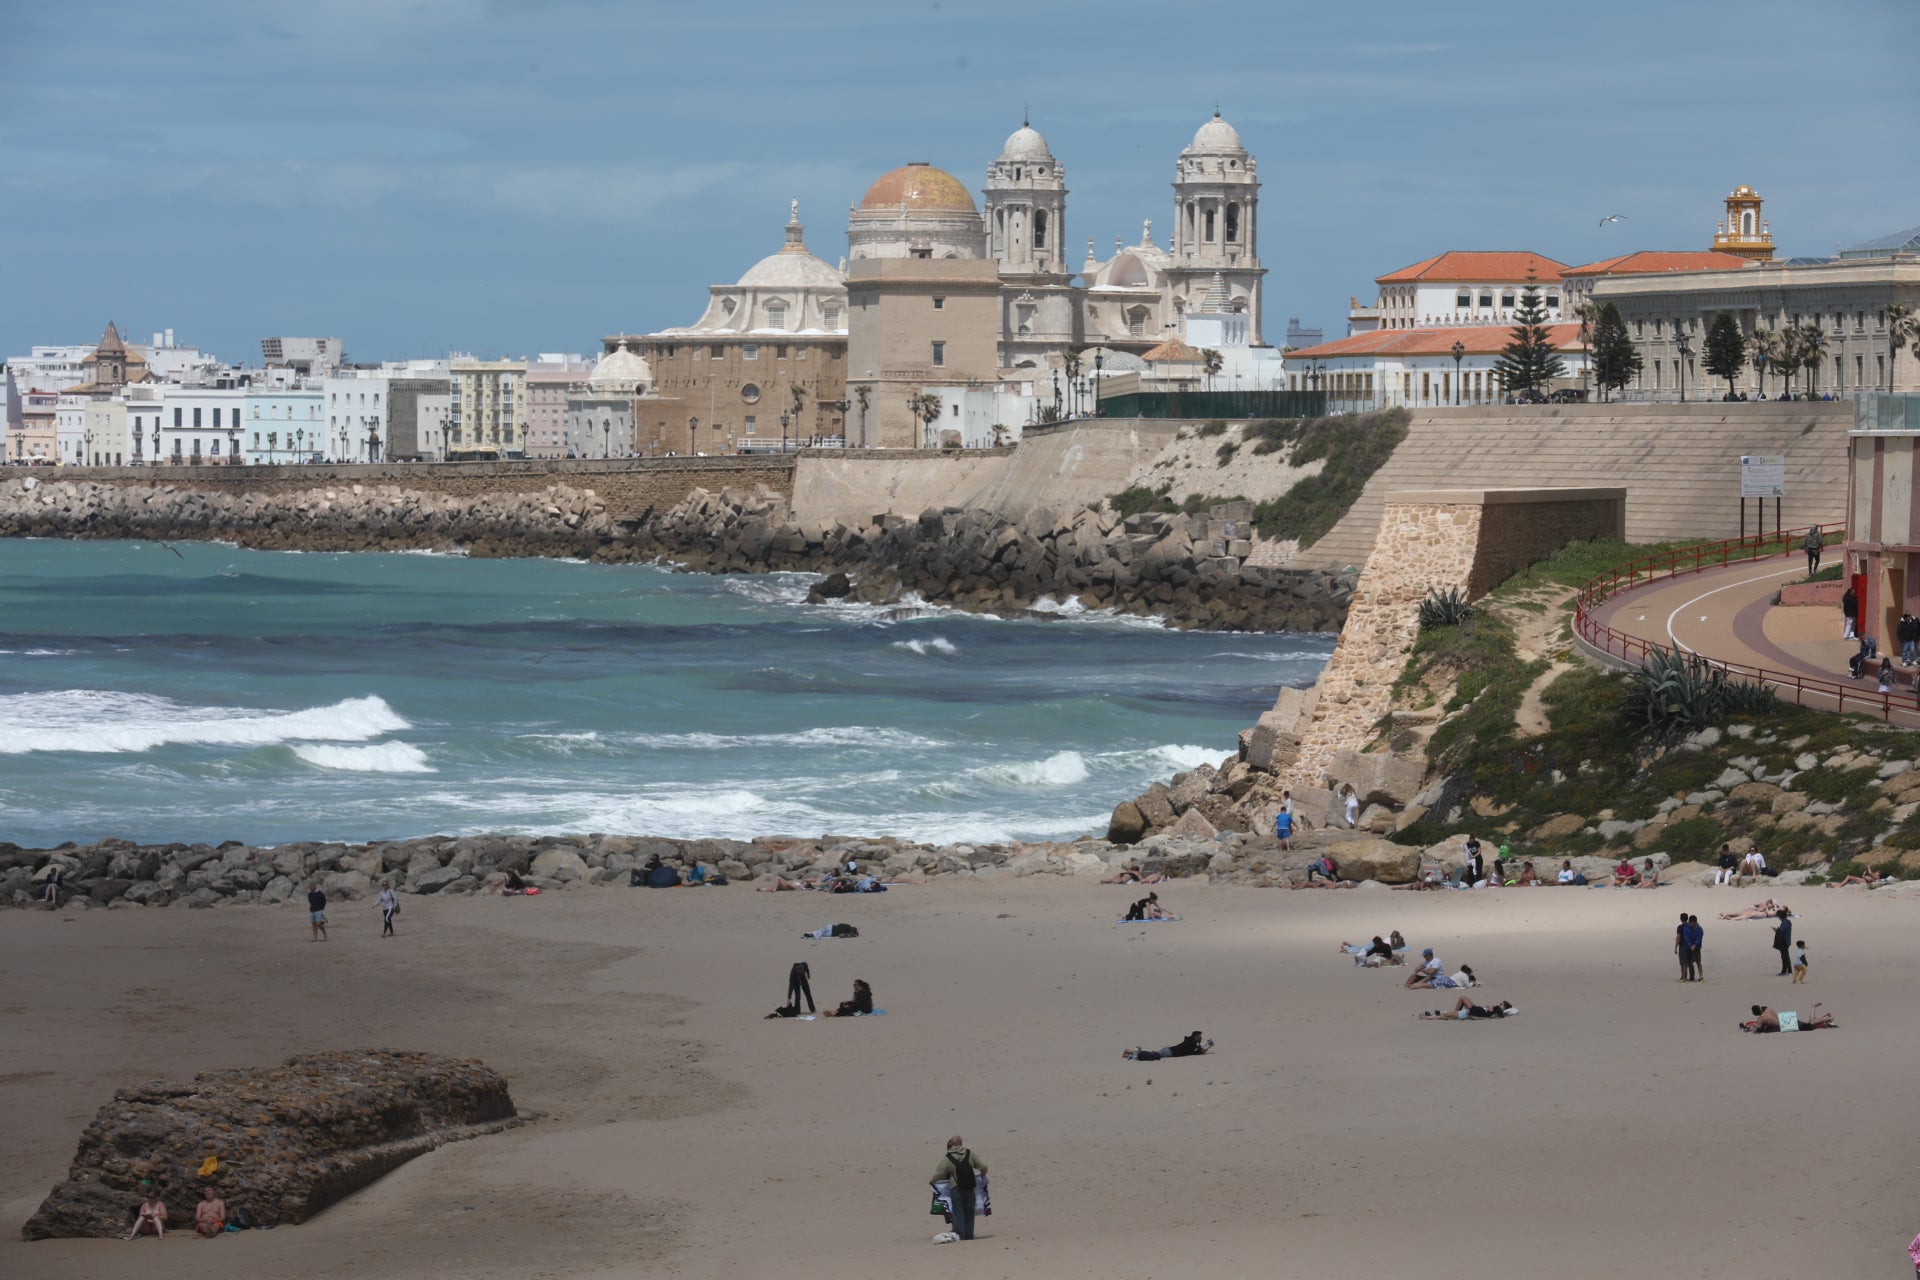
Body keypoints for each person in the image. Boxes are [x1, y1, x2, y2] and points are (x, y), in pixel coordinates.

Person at [929, 1138, 987, 1241]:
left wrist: (932, 1181)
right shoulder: (970, 1153)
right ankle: (969, 1235)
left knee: (958, 1211)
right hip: (970, 1187)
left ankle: (960, 1234)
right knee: (969, 1212)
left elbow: (940, 1172)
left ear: (951, 1144)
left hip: (956, 1188)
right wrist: (983, 1174)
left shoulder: (948, 1157)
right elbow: (983, 1166)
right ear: (961, 1143)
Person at [1741, 1003, 1835, 1032]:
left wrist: (1751, 1026)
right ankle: (1815, 1010)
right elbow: (1763, 1007)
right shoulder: (1767, 1009)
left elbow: (1759, 1029)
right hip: (1786, 1018)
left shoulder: (1761, 1019)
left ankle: (1827, 1019)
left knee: (1809, 1027)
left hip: (1785, 1025)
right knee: (1808, 1025)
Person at [1123, 1031, 1213, 1060]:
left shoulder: (1191, 1041)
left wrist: (1202, 1047)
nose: (1201, 1038)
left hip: (1168, 1050)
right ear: (1196, 1036)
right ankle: (1131, 1052)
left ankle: (1128, 1055)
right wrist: (1209, 1046)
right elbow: (1198, 1052)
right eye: (1200, 1036)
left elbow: (1197, 1050)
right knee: (1153, 1056)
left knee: (1153, 1054)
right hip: (1169, 1052)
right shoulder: (1192, 1043)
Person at [1418, 996, 1516, 1020]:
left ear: (1504, 1007)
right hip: (1474, 1010)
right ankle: (1451, 1012)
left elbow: (1499, 1015)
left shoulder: (1498, 1010)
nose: (1499, 1004)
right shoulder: (1497, 1010)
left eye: (1502, 1004)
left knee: (1444, 1015)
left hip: (1471, 1012)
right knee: (1462, 998)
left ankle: (1427, 1018)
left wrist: (1491, 1008)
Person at [1772, 907, 1794, 976]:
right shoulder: (1786, 922)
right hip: (1785, 941)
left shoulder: (1785, 922)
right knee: (1784, 956)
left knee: (1785, 957)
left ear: (1780, 916)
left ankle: (1789, 971)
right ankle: (1784, 971)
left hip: (1784, 942)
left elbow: (1781, 931)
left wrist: (1776, 930)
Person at [1683, 915, 1705, 981]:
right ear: (1689, 922)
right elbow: (1686, 937)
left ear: (1695, 922)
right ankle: (1684, 978)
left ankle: (1701, 977)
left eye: (1693, 923)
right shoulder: (1686, 928)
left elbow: (1699, 938)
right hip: (1688, 947)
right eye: (1690, 923)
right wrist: (1690, 945)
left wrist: (1695, 945)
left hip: (1696, 948)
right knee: (1685, 963)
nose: (1692, 924)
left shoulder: (1699, 929)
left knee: (1698, 963)